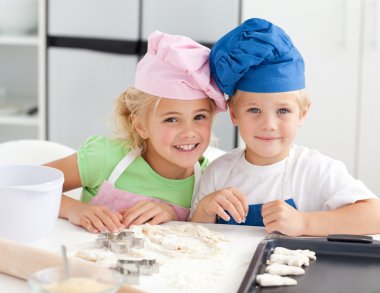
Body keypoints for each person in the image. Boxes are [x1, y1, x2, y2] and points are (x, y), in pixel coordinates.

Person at [190, 18, 380, 236]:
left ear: (303, 112)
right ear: (234, 113)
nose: (269, 125)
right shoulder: (218, 173)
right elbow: (193, 236)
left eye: (283, 111)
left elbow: (375, 215)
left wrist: (305, 223)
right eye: (254, 110)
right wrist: (205, 209)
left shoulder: (316, 171)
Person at [46, 31, 226, 234]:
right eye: (171, 119)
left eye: (199, 117)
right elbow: (20, 186)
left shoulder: (211, 180)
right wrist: (75, 210)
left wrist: (172, 215)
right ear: (140, 125)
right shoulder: (105, 158)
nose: (188, 132)